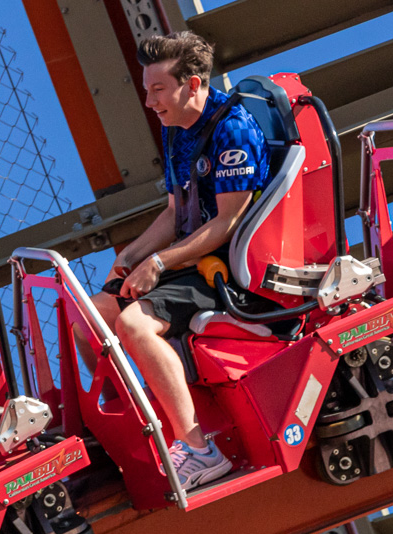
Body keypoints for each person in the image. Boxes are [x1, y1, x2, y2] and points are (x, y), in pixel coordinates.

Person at [89, 31, 268, 492]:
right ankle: (141, 426)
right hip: (189, 259)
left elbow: (226, 224)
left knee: (134, 326)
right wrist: (131, 257)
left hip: (223, 268)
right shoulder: (176, 130)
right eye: (147, 91)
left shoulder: (232, 129)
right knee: (92, 317)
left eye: (157, 90)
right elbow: (176, 212)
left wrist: (160, 263)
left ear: (191, 85)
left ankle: (199, 450)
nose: (150, 102)